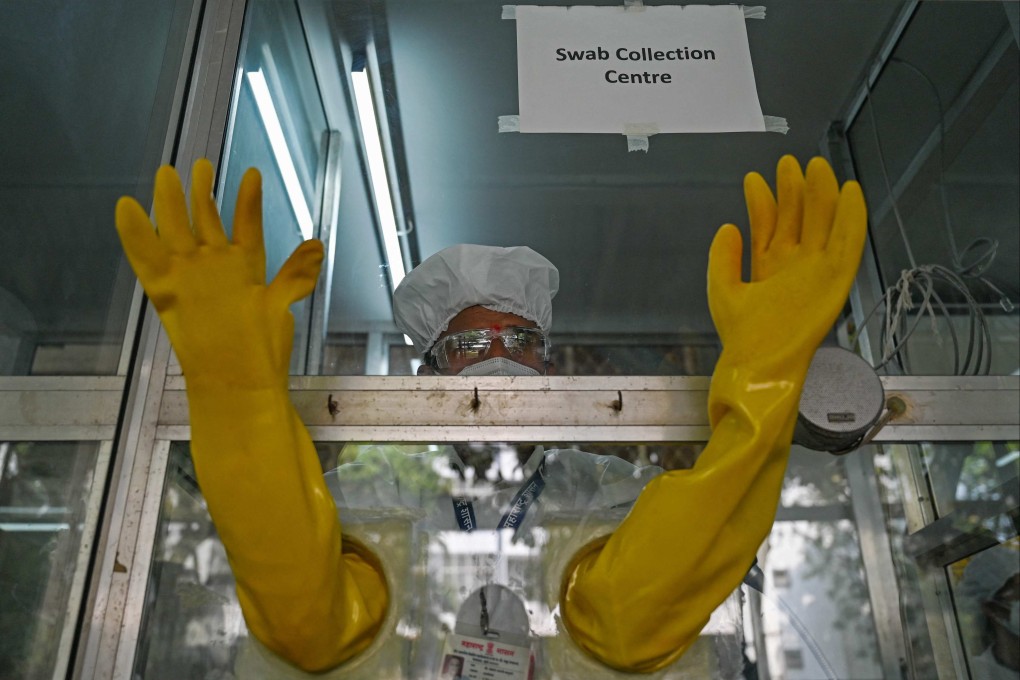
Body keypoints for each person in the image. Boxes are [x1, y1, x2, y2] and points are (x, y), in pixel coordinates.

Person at [114, 155, 866, 677]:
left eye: (523, 342)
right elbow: (308, 622)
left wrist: (766, 382)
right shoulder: (372, 491)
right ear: (429, 369)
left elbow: (635, 615)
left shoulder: (601, 486)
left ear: (550, 363)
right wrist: (240, 393)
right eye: (472, 342)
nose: (500, 360)